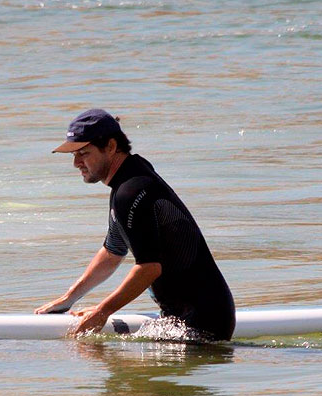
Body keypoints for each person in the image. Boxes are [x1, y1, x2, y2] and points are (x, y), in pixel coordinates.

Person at [35, 109, 235, 341]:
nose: (76, 163)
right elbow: (112, 252)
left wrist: (102, 311)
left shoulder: (131, 191)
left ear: (110, 146)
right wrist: (68, 299)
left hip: (200, 325)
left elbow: (149, 268)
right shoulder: (130, 178)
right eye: (74, 154)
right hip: (188, 317)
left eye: (83, 153)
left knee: (102, 361)